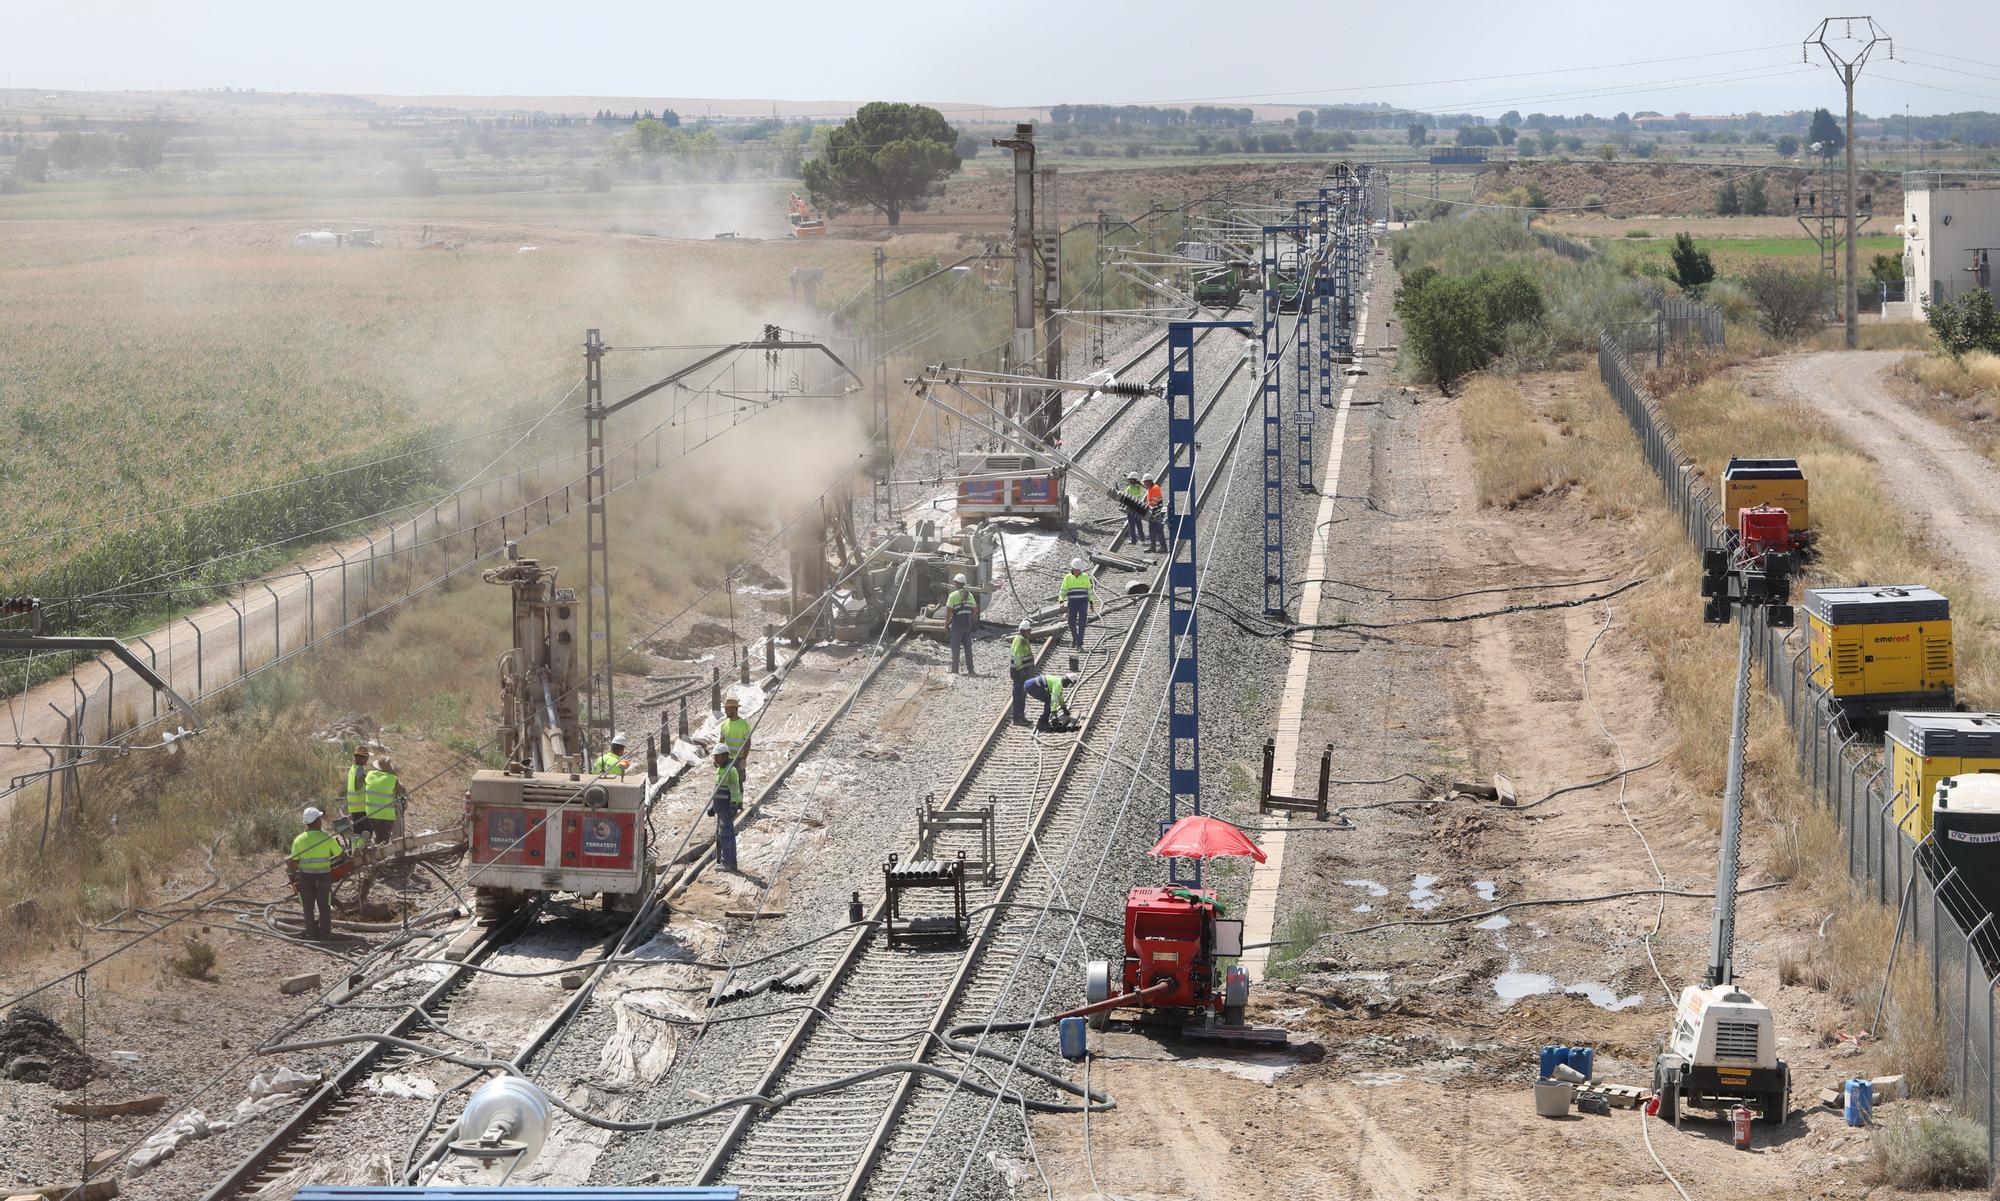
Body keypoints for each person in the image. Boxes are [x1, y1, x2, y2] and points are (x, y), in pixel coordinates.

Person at [287, 806, 343, 941]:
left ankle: (311, 935)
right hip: (323, 877)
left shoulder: (299, 839)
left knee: (308, 909)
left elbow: (293, 861)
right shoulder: (326, 837)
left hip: (305, 878)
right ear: (316, 821)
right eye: (320, 818)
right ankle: (325, 936)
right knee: (324, 908)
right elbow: (339, 854)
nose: (321, 821)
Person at [708, 744, 742, 871]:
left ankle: (727, 862)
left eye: (717, 757)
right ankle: (729, 861)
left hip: (727, 809)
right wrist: (713, 806)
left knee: (726, 836)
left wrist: (733, 806)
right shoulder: (720, 770)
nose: (715, 759)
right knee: (724, 835)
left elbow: (735, 791)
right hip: (720, 809)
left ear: (725, 756)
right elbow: (718, 790)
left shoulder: (730, 771)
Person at [360, 754, 404, 845]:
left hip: (371, 813)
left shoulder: (370, 775)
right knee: (383, 840)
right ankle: (381, 855)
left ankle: (375, 848)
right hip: (385, 815)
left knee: (379, 836)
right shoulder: (392, 779)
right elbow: (402, 789)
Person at [945, 572, 979, 676]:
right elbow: (975, 610)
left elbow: (949, 612)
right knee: (968, 648)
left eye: (954, 582)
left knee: (955, 647)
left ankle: (955, 669)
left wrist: (946, 624)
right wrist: (969, 617)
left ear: (956, 583)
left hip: (957, 624)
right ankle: (971, 670)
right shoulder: (970, 595)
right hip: (967, 624)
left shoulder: (952, 595)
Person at [1059, 557, 1096, 650]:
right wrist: (1061, 601)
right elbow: (1063, 590)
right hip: (1072, 603)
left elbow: (1089, 590)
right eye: (1075, 570)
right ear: (1072, 568)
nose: (1077, 571)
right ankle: (1075, 638)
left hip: (1083, 603)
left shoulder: (1085, 577)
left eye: (1078, 570)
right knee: (1071, 623)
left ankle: (1079, 644)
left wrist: (1091, 602)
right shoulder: (1067, 578)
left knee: (1082, 624)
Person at [720, 695, 752, 787]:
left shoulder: (744, 725)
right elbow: (721, 742)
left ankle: (738, 801)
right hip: (727, 759)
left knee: (738, 784)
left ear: (734, 710)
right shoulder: (724, 725)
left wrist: (744, 759)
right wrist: (718, 756)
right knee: (727, 783)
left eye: (727, 709)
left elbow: (748, 743)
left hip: (739, 759)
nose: (725, 711)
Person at [1008, 618, 1035, 723]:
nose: (1030, 632)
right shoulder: (1020, 641)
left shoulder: (1021, 639)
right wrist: (1021, 671)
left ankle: (1021, 716)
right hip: (1019, 673)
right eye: (1029, 630)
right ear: (1023, 631)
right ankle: (1017, 718)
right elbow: (1017, 657)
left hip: (1022, 673)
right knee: (1019, 696)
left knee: (1022, 695)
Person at [343, 744, 372, 836]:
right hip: (361, 808)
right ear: (358, 757)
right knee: (367, 832)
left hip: (353, 807)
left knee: (357, 833)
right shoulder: (360, 770)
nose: (367, 759)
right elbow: (368, 784)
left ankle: (356, 849)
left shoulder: (352, 769)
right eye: (365, 757)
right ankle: (363, 849)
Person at [1120, 471, 1146, 543]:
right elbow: (1143, 486)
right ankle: (1142, 537)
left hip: (1131, 507)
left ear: (1134, 480)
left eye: (1131, 479)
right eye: (1129, 479)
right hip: (1138, 507)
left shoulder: (1129, 488)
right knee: (1138, 523)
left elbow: (1124, 496)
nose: (1130, 480)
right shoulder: (1139, 487)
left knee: (1132, 524)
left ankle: (1134, 540)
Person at [1144, 474, 1167, 552]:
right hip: (1152, 513)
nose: (1145, 484)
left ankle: (1163, 547)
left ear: (1150, 481)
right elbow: (1150, 501)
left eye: (1146, 482)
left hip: (1157, 513)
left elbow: (1154, 501)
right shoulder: (1150, 488)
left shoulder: (1155, 488)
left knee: (1159, 531)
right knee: (1152, 531)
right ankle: (1152, 547)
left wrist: (1147, 506)